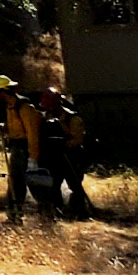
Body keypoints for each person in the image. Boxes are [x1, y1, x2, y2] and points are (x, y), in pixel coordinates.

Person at [33, 85, 93, 221]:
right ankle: (57, 211)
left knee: (75, 185)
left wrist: (62, 144)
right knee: (53, 185)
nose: (47, 109)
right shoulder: (46, 118)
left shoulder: (73, 119)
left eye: (49, 106)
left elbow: (77, 140)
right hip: (55, 157)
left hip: (72, 156)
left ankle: (80, 212)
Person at [0, 74, 39, 223]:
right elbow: (15, 127)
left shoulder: (24, 107)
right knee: (15, 182)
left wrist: (33, 156)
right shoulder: (11, 106)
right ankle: (14, 214)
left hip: (25, 148)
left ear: (2, 91)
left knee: (35, 182)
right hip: (17, 147)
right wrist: (5, 128)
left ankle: (48, 212)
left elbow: (33, 133)